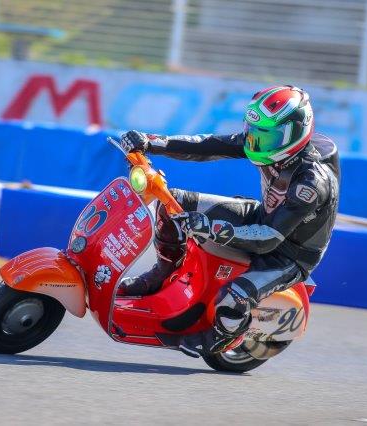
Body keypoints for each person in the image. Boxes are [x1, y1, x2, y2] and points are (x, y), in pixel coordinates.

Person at [118, 85, 339, 358]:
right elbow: (207, 145)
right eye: (253, 132)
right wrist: (151, 142)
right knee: (172, 203)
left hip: (289, 254)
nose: (255, 143)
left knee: (234, 297)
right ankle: (161, 274)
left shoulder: (312, 183)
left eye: (266, 136)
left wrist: (210, 229)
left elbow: (268, 238)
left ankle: (218, 338)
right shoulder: (268, 143)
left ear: (295, 133)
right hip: (263, 216)